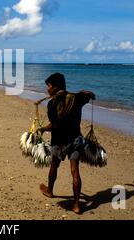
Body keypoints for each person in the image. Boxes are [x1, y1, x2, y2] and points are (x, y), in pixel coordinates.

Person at [34, 72, 95, 214]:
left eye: (49, 86)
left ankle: (50, 191)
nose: (47, 89)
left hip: (59, 142)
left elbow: (54, 125)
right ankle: (76, 205)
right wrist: (84, 93)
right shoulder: (77, 98)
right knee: (75, 172)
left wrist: (42, 129)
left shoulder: (52, 103)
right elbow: (91, 95)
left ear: (55, 87)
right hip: (76, 140)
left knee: (54, 165)